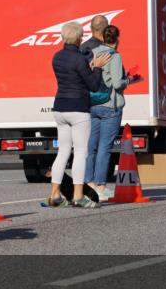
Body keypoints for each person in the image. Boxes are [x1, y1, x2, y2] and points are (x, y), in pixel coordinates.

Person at [44, 22, 111, 208]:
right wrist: (96, 67)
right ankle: (78, 195)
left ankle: (55, 194)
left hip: (60, 107)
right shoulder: (80, 59)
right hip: (78, 108)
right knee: (81, 152)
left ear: (63, 37)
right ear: (80, 38)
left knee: (63, 151)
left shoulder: (56, 57)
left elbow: (69, 77)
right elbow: (93, 85)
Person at [84, 25, 131, 201]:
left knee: (91, 147)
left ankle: (88, 184)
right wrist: (128, 80)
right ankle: (101, 186)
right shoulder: (115, 56)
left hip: (93, 104)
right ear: (117, 39)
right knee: (105, 147)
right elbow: (118, 83)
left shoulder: (93, 52)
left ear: (103, 37)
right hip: (110, 106)